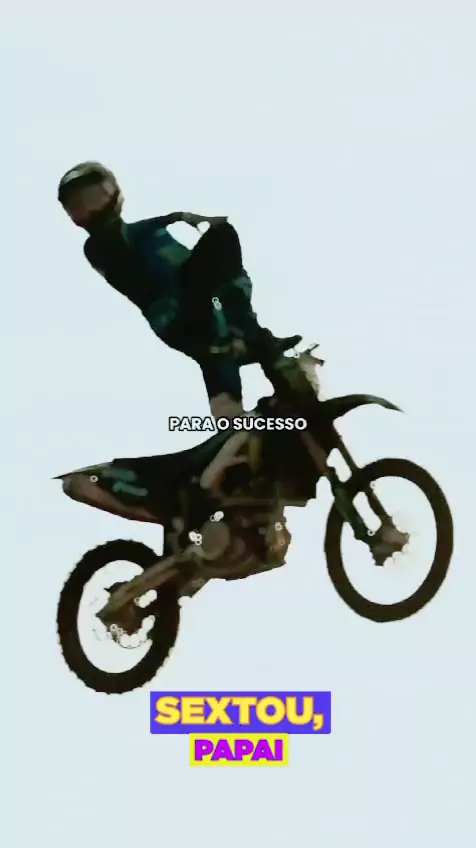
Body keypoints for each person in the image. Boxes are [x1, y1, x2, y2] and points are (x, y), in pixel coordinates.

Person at [57, 161, 301, 425]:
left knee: (223, 238)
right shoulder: (99, 247)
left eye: (93, 198)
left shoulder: (149, 234)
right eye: (80, 206)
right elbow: (124, 237)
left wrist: (181, 218)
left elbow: (174, 249)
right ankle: (236, 388)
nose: (91, 209)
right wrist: (180, 216)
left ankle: (258, 355)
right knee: (211, 330)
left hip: (204, 306)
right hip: (175, 315)